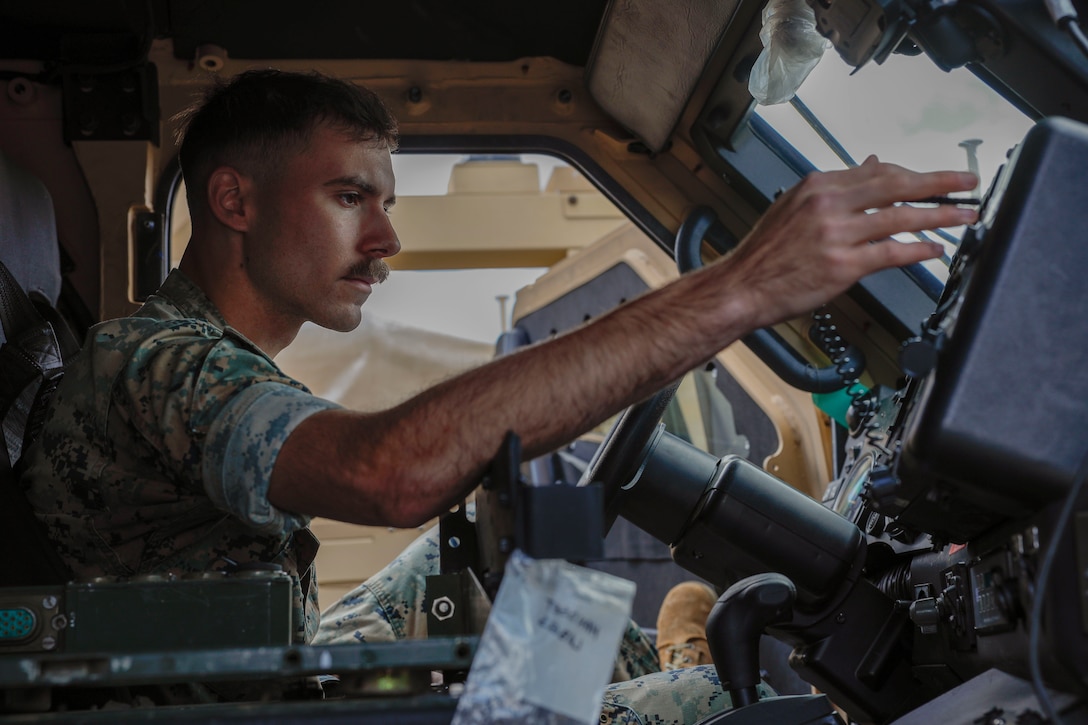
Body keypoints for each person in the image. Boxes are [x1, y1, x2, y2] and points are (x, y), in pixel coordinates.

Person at [21, 69, 977, 721]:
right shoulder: (153, 358)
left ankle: (669, 660)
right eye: (352, 197)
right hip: (248, 705)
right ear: (235, 202)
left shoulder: (190, 353)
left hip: (265, 672)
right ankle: (697, 679)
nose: (387, 239)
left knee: (576, 611)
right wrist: (738, 288)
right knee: (746, 705)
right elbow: (385, 471)